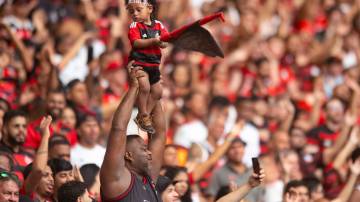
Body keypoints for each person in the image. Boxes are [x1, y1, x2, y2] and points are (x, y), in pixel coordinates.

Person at [100, 64, 166, 201]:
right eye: (144, 149)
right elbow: (118, 128)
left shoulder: (149, 178)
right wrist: (133, 88)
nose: (149, 152)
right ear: (129, 155)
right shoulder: (117, 179)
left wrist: (154, 89)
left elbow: (159, 135)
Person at [126, 0, 168, 134]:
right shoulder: (134, 25)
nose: (135, 14)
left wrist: (163, 43)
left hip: (153, 64)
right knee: (144, 86)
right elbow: (136, 43)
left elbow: (165, 40)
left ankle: (143, 116)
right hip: (139, 63)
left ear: (150, 9)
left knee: (158, 92)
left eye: (138, 10)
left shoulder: (159, 25)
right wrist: (154, 41)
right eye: (131, 11)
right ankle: (143, 114)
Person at [207, 137, 263, 202]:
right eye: (233, 148)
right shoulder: (218, 173)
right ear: (226, 151)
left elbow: (260, 197)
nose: (237, 151)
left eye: (240, 147)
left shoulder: (253, 172)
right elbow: (211, 199)